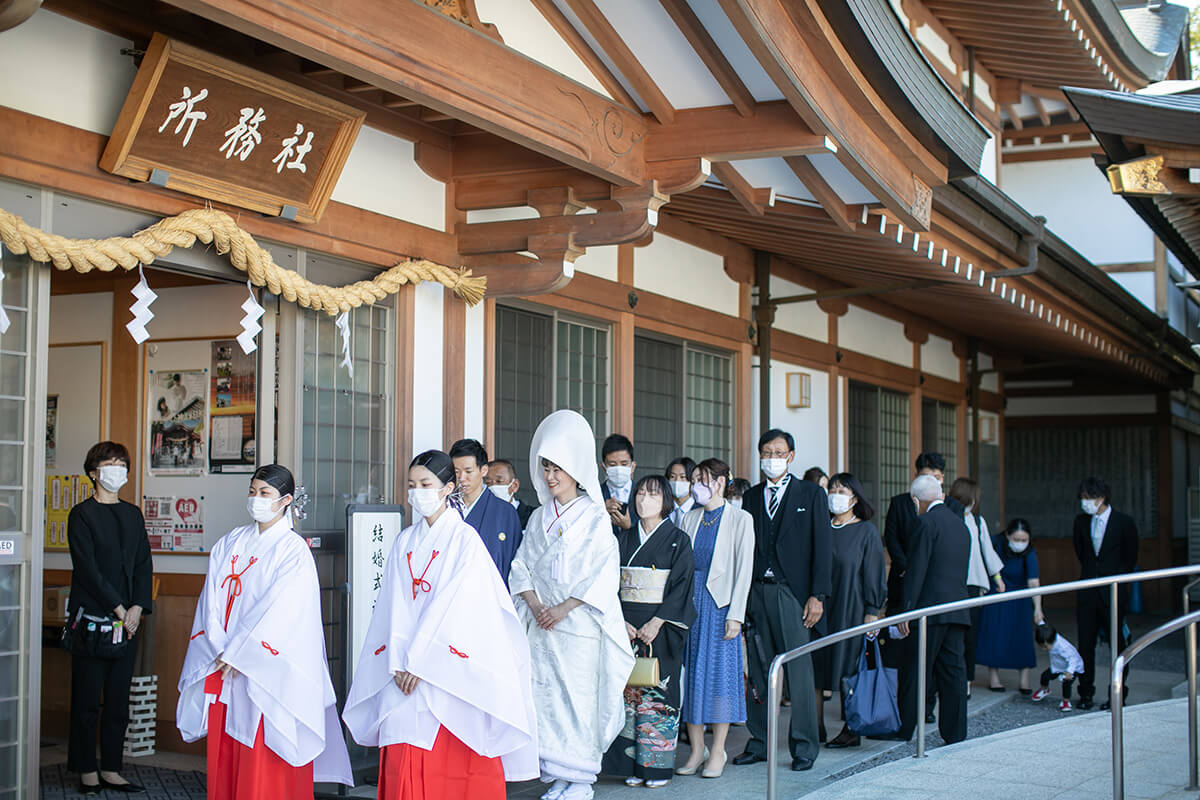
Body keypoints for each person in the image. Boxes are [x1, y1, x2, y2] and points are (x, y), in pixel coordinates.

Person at [342, 451, 538, 798]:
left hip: (446, 669)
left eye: (426, 484)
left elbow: (459, 606)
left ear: (449, 487)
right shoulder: (404, 541)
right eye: (411, 485)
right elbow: (391, 607)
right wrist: (400, 661)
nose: (417, 492)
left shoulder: (465, 542)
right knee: (404, 748)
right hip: (402, 668)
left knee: (453, 761)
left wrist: (419, 660)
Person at [177, 465, 352, 797]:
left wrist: (239, 652)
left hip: (266, 672)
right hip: (223, 663)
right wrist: (218, 647)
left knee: (265, 760)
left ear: (285, 500)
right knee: (227, 758)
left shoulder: (292, 550)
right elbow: (210, 602)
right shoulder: (230, 542)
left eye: (265, 493)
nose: (256, 499)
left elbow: (282, 611)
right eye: (253, 491)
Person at [508, 410, 635, 800]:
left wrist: (562, 609)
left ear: (576, 469)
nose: (550, 476)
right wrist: (533, 603)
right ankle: (559, 773)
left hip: (578, 625)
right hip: (542, 624)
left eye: (558, 468)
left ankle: (581, 779)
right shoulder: (538, 517)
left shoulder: (596, 517)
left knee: (578, 700)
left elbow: (602, 574)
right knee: (544, 699)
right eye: (546, 467)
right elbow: (521, 565)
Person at [734, 429, 832, 772]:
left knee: (799, 672)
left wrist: (817, 596)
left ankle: (804, 746)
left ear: (791, 456)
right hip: (757, 591)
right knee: (759, 671)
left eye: (778, 452)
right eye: (766, 451)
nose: (771, 457)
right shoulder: (752, 496)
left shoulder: (812, 494)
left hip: (793, 593)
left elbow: (823, 549)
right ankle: (759, 741)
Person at [67, 441, 153, 795]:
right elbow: (86, 569)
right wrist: (119, 608)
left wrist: (136, 607)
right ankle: (86, 768)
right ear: (94, 472)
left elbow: (143, 564)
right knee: (87, 699)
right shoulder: (81, 514)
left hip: (127, 623)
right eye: (110, 463)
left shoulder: (133, 514)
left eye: (122, 463)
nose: (118, 469)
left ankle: (113, 768)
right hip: (93, 619)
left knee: (119, 699)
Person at [603, 475, 695, 788]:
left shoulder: (678, 539)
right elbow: (608, 584)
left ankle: (655, 768)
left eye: (653, 495)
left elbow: (682, 586)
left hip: (661, 628)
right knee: (627, 697)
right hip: (626, 625)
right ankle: (629, 764)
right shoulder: (622, 539)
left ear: (665, 500)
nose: (644, 500)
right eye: (640, 494)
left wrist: (657, 622)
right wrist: (621, 622)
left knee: (658, 695)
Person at [676, 458, 754, 779]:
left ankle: (718, 749)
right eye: (694, 479)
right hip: (689, 606)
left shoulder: (740, 519)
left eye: (702, 479)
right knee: (691, 678)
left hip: (720, 606)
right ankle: (696, 750)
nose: (696, 486)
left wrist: (736, 615)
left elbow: (743, 570)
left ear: (721, 481)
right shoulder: (689, 518)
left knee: (719, 678)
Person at [894, 474, 970, 745]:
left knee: (916, 670)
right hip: (958, 606)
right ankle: (955, 731)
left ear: (916, 500)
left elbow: (917, 570)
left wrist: (907, 609)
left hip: (928, 610)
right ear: (942, 496)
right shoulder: (961, 525)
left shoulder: (925, 523)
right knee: (953, 673)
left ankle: (904, 729)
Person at [814, 473, 886, 749]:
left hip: (851, 607)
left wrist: (872, 610)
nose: (835, 494)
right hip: (819, 607)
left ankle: (852, 727)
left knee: (849, 667)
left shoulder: (866, 531)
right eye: (832, 489)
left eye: (842, 490)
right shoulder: (822, 526)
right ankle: (815, 724)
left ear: (855, 497)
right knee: (816, 664)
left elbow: (874, 573)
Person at [1073, 476, 1138, 710]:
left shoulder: (1124, 522)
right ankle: (1086, 693)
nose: (1084, 502)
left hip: (1114, 593)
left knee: (1118, 644)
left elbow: (1130, 558)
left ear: (1101, 498)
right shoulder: (1081, 522)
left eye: (1088, 498)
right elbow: (1082, 554)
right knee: (1085, 644)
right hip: (1087, 591)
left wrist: (1113, 581)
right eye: (1082, 498)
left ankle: (1118, 694)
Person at [948, 478, 1005, 691]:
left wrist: (997, 578)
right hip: (951, 584)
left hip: (973, 584)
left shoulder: (978, 522)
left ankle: (967, 681)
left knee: (970, 637)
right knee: (952, 636)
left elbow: (987, 552)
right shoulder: (946, 518)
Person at [976, 519, 1043, 692]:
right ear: (1007, 535)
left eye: (1024, 540)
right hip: (997, 593)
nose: (1020, 544)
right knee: (994, 635)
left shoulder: (1029, 552)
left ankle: (1024, 680)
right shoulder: (995, 543)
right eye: (1017, 539)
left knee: (1022, 637)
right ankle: (994, 678)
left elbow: (1034, 581)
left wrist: (1038, 608)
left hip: (1020, 596)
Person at [450, 439, 523, 583]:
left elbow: (514, 565)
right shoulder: (447, 509)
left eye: (468, 471)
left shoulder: (505, 512)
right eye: (456, 472)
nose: (462, 479)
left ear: (483, 470)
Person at [883, 453, 948, 616]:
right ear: (915, 476)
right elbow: (892, 538)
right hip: (902, 576)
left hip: (935, 578)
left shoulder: (951, 506)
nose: (931, 481)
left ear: (943, 478)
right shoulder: (899, 503)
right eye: (926, 477)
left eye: (936, 477)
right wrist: (907, 567)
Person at [1033, 622, 1084, 712]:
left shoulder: (1063, 647)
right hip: (1058, 666)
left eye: (1045, 646)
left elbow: (1073, 659)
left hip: (1072, 667)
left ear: (1052, 640)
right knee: (1045, 676)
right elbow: (1044, 626)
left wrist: (1069, 672)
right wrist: (1039, 620)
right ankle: (1045, 689)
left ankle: (1066, 702)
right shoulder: (1050, 636)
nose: (1044, 649)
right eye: (1041, 646)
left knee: (1066, 684)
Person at [486, 458, 538, 529]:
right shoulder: (482, 515)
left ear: (515, 485)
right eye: (488, 482)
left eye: (499, 481)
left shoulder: (532, 517)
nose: (493, 486)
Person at [600, 434, 637, 534]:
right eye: (612, 464)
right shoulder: (596, 495)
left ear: (633, 466)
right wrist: (601, 510)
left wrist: (629, 527)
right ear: (603, 466)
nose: (618, 469)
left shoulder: (642, 494)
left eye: (624, 464)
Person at [665, 457, 696, 527]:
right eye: (672, 476)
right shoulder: (661, 508)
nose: (677, 481)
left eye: (682, 477)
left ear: (692, 481)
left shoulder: (701, 510)